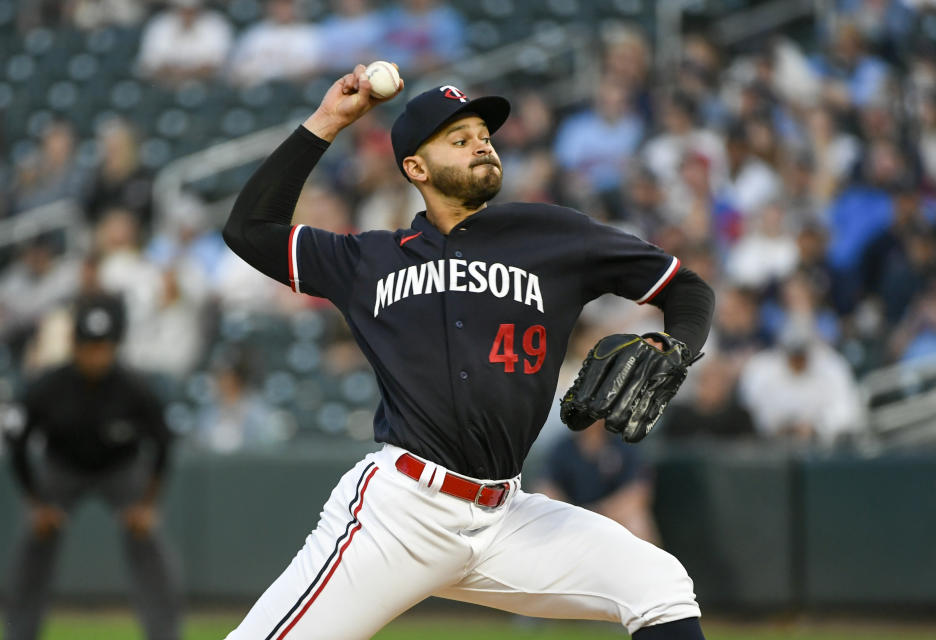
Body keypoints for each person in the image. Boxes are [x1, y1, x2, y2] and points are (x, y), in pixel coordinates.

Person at [221, 64, 715, 639]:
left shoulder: (553, 234)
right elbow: (249, 229)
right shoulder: (366, 261)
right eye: (459, 140)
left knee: (659, 585)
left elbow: (687, 289)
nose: (481, 144)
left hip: (507, 514)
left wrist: (673, 344)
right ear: (416, 168)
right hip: (401, 514)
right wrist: (330, 119)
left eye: (484, 135)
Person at [2, 294, 181, 640]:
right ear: (75, 345)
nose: (96, 355)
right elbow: (18, 442)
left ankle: (165, 635)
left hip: (121, 470)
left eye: (103, 346)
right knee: (34, 546)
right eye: (89, 346)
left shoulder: (134, 387)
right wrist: (36, 502)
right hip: (62, 469)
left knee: (149, 544)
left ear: (114, 346)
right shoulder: (49, 386)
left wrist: (147, 504)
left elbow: (163, 442)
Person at [538, 421, 661, 544]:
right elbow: (546, 489)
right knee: (544, 523)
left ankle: (651, 564)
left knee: (637, 521)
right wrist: (573, 515)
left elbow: (638, 493)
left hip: (614, 517)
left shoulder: (626, 443)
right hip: (572, 518)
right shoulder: (562, 447)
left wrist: (600, 514)